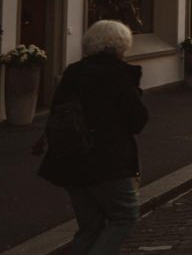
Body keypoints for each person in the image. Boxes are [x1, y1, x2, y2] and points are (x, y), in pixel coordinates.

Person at [38, 21, 149, 254]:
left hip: (69, 159)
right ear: (122, 45)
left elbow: (57, 112)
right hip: (107, 161)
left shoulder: (73, 73)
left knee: (90, 226)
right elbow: (138, 120)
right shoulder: (118, 75)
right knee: (124, 216)